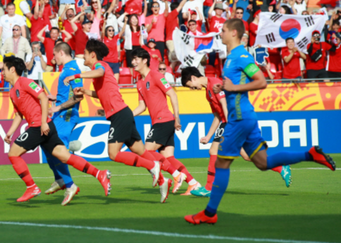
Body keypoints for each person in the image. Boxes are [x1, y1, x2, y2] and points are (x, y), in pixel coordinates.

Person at [185, 19, 337, 225]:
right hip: (245, 117)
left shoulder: (240, 56)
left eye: (223, 30)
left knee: (221, 162)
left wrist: (233, 89)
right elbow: (235, 84)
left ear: (234, 33)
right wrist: (226, 87)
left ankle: (209, 213)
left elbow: (261, 81)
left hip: (239, 118)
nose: (220, 34)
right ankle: (309, 154)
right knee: (262, 162)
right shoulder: (231, 58)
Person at [2, 55, 111, 204]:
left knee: (13, 154)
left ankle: (31, 187)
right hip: (44, 127)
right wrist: (10, 132)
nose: (2, 72)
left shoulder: (26, 82)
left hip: (38, 126)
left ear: (12, 69)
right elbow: (19, 115)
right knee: (65, 157)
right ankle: (100, 174)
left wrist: (43, 123)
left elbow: (44, 98)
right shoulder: (13, 92)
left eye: (3, 69)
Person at [64, 40, 163, 190]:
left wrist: (76, 76)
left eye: (85, 54)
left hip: (119, 114)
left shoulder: (100, 66)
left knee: (113, 154)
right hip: (124, 113)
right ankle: (163, 181)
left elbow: (99, 72)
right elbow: (101, 94)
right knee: (139, 150)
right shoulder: (99, 70)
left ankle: (152, 165)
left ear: (92, 54)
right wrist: (84, 91)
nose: (83, 58)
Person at [181, 66, 291, 198]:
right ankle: (280, 167)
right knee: (246, 156)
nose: (193, 89)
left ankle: (209, 188)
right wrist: (208, 136)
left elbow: (224, 104)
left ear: (193, 78)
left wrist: (230, 124)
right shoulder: (207, 92)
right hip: (230, 121)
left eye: (191, 86)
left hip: (233, 121)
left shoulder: (214, 83)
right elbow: (217, 115)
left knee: (213, 151)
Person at [131, 48, 199, 199]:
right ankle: (193, 182)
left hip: (165, 120)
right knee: (168, 157)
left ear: (145, 60)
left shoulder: (156, 75)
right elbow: (142, 107)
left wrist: (177, 117)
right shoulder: (139, 83)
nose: (133, 62)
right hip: (158, 121)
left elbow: (172, 94)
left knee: (146, 151)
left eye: (136, 59)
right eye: (132, 59)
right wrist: (127, 115)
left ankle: (176, 175)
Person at [42, 43, 83, 201]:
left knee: (58, 150)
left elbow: (78, 97)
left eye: (54, 55)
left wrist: (58, 106)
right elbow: (68, 94)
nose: (53, 59)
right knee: (45, 142)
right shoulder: (65, 70)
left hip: (66, 115)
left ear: (61, 52)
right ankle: (60, 179)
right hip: (60, 115)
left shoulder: (72, 71)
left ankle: (70, 184)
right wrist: (56, 98)